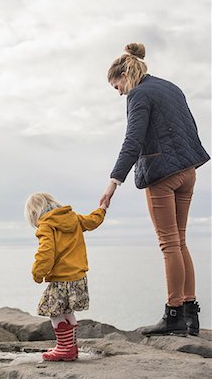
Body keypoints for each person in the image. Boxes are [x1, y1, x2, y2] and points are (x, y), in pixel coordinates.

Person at [99, 43, 210, 337]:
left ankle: (172, 314)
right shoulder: (171, 88)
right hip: (188, 172)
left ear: (125, 74)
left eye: (116, 85)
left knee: (169, 244)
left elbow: (132, 141)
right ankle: (190, 314)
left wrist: (114, 181)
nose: (119, 91)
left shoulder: (138, 94)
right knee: (180, 241)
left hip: (162, 175)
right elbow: (189, 127)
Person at [24, 192, 106, 361]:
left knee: (53, 311)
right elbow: (92, 221)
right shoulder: (73, 218)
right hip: (78, 277)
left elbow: (46, 252)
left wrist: (38, 273)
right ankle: (70, 348)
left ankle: (64, 348)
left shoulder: (46, 225)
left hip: (61, 279)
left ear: (34, 214)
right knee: (67, 310)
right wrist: (102, 209)